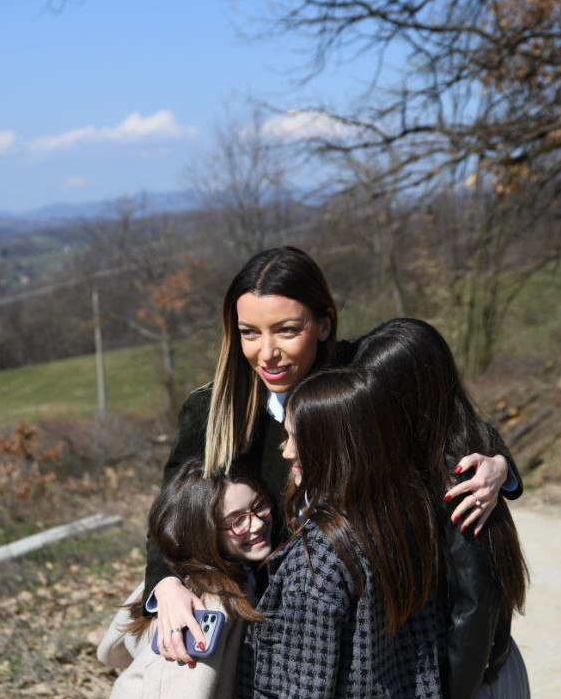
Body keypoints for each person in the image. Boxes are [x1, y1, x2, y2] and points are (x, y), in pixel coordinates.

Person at [146, 246, 524, 663]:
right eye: (249, 332)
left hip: (388, 632)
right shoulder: (212, 410)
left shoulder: (362, 377)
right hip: (276, 627)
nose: (266, 352)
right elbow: (170, 513)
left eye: (287, 330)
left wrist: (498, 464)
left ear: (324, 324)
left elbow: (446, 415)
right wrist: (165, 585)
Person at [236, 366, 448, 699]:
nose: (286, 451)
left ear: (332, 446)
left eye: (295, 438)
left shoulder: (318, 561)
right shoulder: (406, 516)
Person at [353, 318, 530, 699]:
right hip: (472, 675)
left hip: (470, 687)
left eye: (376, 397)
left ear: (411, 396)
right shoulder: (460, 442)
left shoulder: (457, 474)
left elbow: (473, 609)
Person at [98, 461, 280, 699]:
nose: (257, 523)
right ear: (204, 532)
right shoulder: (208, 604)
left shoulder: (210, 576)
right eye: (237, 520)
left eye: (259, 505)